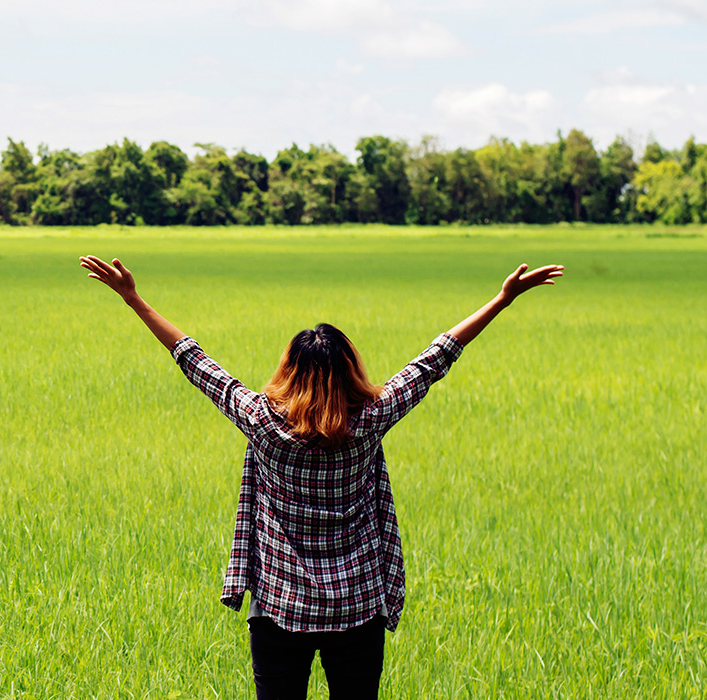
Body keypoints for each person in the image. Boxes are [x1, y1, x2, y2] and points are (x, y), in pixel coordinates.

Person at [78, 255, 564, 700]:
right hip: (357, 607)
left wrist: (134, 299)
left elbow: (194, 360)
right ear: (351, 370)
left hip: (280, 607)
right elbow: (436, 358)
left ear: (289, 371)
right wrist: (502, 300)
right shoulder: (370, 419)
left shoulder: (262, 421)